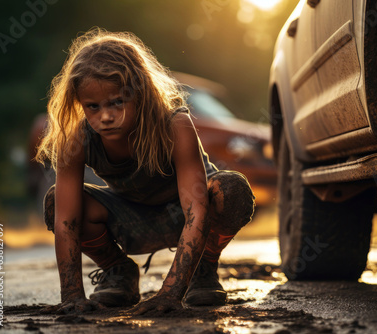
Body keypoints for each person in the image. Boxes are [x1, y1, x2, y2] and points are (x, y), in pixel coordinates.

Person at [35, 28, 255, 314]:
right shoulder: (76, 140)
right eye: (93, 106)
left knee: (231, 189)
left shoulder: (175, 125)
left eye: (117, 102)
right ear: (80, 104)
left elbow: (196, 210)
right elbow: (66, 221)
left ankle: (203, 268)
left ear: (140, 92)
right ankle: (118, 271)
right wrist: (72, 295)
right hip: (132, 216)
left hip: (189, 214)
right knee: (56, 202)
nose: (105, 115)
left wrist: (170, 293)